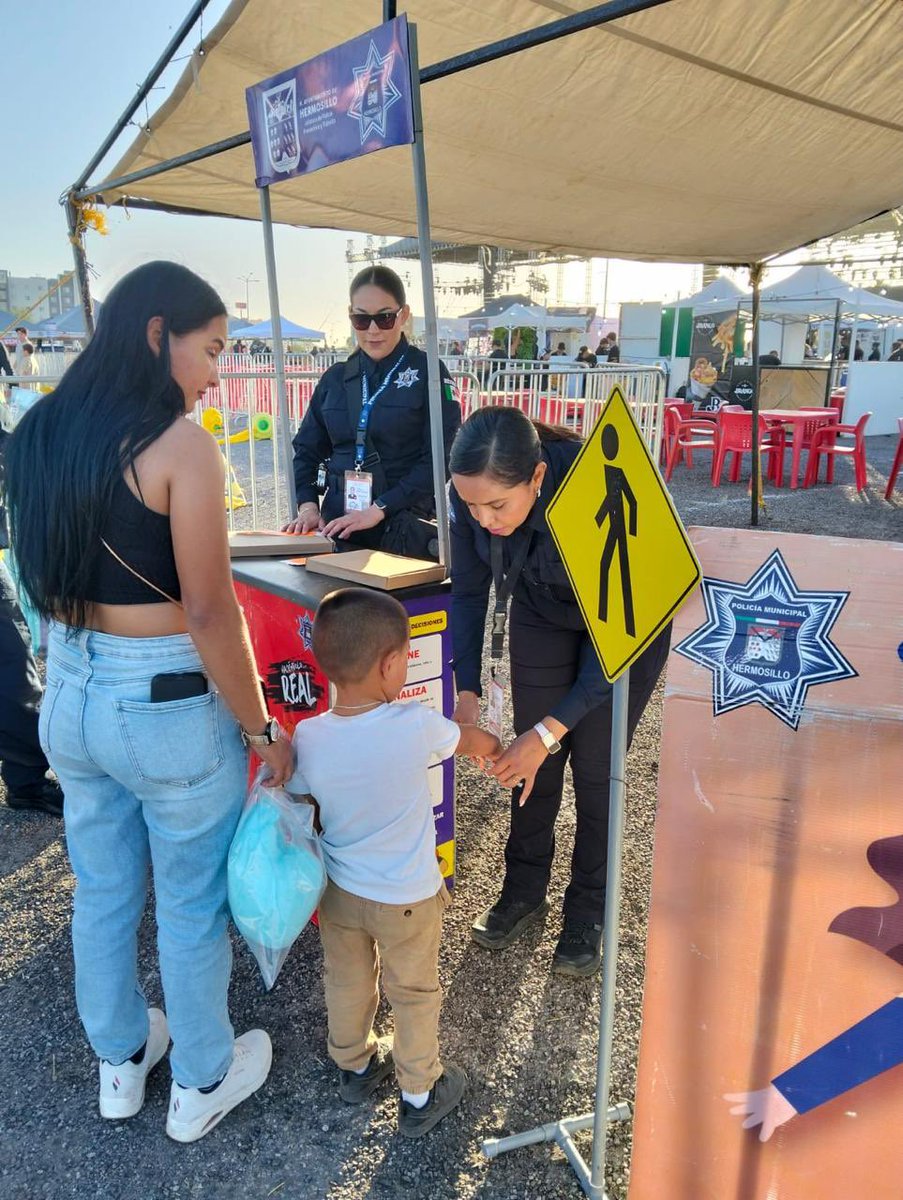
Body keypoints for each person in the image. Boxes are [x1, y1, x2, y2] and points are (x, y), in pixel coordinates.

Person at [4, 261, 293, 1143]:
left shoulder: (36, 429)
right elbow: (210, 611)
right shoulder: (179, 445)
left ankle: (121, 1063)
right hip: (163, 696)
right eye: (211, 351)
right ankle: (203, 1076)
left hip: (72, 686)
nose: (215, 374)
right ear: (156, 332)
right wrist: (260, 729)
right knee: (189, 899)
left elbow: (32, 576)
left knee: (100, 889)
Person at [448, 406, 670, 977]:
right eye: (472, 506)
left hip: (625, 622)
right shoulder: (471, 492)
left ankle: (587, 911)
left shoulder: (597, 483)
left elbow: (615, 639)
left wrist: (549, 731)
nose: (484, 518)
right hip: (545, 608)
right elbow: (470, 595)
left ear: (539, 478)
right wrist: (467, 689)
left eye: (498, 505)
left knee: (597, 771)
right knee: (532, 765)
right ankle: (523, 890)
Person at [286, 588, 501, 1135]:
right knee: (414, 991)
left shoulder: (307, 736)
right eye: (406, 657)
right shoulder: (412, 724)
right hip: (406, 897)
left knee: (348, 979)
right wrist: (492, 738)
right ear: (389, 665)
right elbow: (472, 741)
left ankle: (355, 1065)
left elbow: (304, 798)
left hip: (338, 894)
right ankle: (420, 1091)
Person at [285, 265, 461, 559]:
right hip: (337, 527)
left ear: (403, 315)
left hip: (401, 528)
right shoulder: (335, 379)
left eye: (385, 317)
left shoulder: (428, 374)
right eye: (361, 319)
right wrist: (308, 504)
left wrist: (380, 508)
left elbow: (440, 459)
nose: (373, 329)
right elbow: (306, 450)